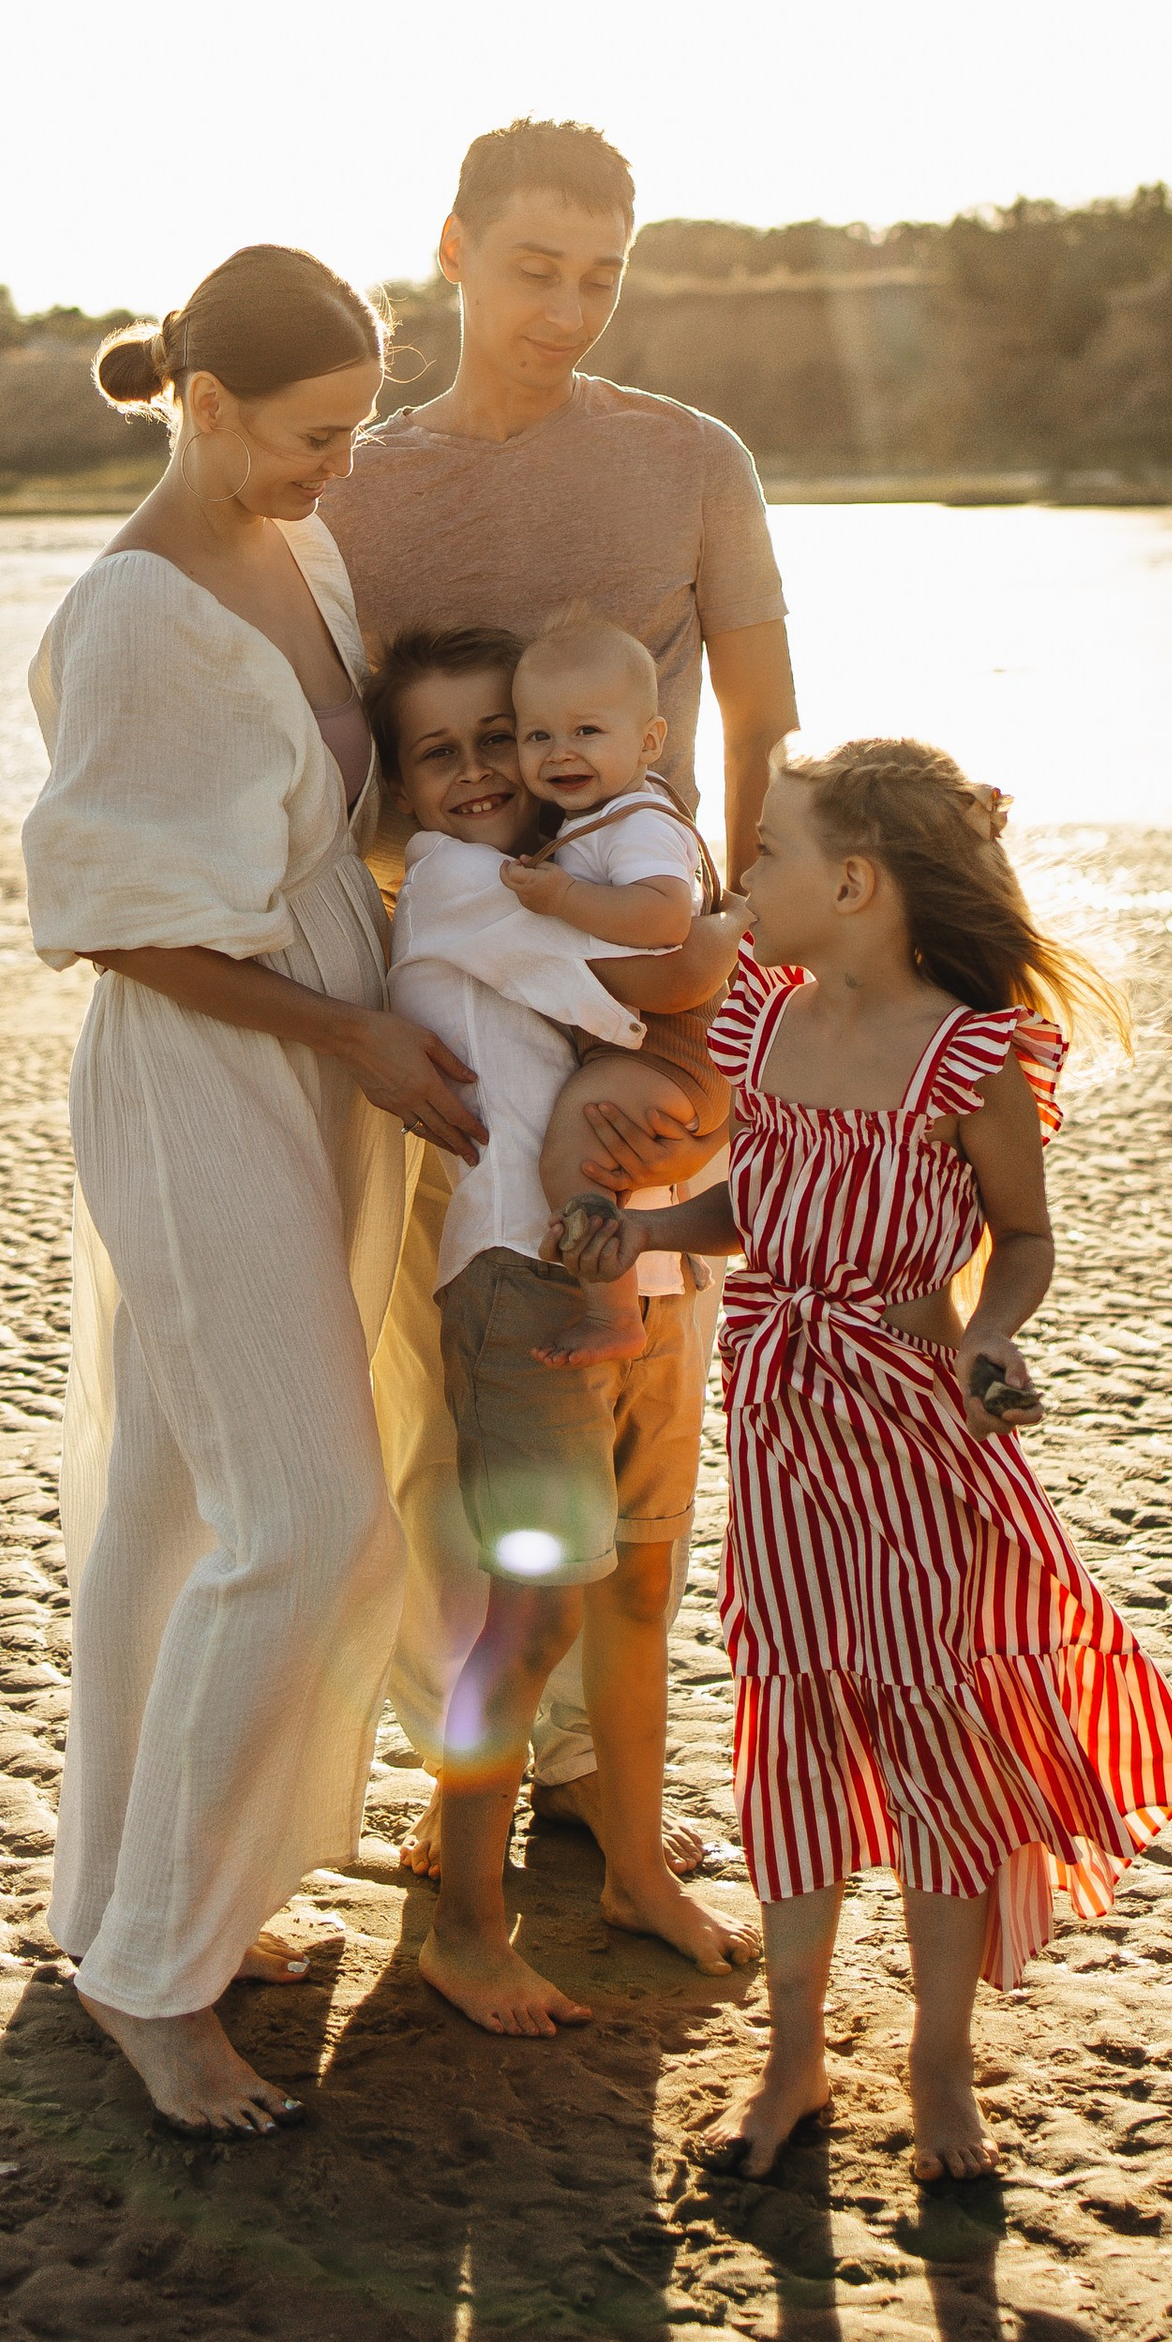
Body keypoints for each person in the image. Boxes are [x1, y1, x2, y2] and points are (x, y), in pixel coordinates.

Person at [557, 739, 1172, 2181]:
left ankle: (936, 2064)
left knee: (931, 1730)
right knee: (792, 1720)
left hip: (918, 1431)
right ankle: (795, 2056)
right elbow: (762, 1200)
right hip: (785, 1417)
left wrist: (992, 1334)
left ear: (854, 885)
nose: (749, 883)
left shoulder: (969, 1053)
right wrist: (655, 1232)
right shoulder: (762, 1019)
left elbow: (1025, 1237)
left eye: (774, 857)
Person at [22, 243, 483, 2137]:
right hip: (217, 1071)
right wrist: (355, 1038)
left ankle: (126, 1902)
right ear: (202, 407)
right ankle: (151, 1978)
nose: (337, 467)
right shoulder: (135, 613)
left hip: (320, 1052)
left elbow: (331, 812)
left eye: (358, 429)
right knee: (308, 1521)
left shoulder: (300, 553)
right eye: (310, 434)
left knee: (172, 1504)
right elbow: (114, 925)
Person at [324, 117, 796, 1859]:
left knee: (640, 1388)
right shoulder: (361, 489)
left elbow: (761, 710)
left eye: (604, 276)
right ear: (451, 251)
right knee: (460, 1398)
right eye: (537, 269)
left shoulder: (688, 457)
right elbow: (323, 758)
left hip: (652, 988)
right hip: (453, 985)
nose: (572, 309)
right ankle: (475, 1799)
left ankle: (603, 1791)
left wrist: (730, 964)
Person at [367, 625, 753, 2028]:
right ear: (399, 784)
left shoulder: (576, 859)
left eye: (498, 739)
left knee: (639, 1587)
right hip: (522, 1279)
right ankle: (467, 1930)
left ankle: (634, 1869)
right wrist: (719, 933)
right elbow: (669, 987)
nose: (480, 773)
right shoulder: (466, 881)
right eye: (442, 751)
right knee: (529, 1615)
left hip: (640, 1266)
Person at [500, 610, 731, 1372]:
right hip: (663, 1046)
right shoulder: (605, 815)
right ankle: (610, 1273)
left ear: (650, 743)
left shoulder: (636, 825)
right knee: (592, 1152)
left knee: (573, 1151)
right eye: (538, 737)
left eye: (588, 732)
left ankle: (613, 1311)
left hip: (671, 1045)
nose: (561, 753)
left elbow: (665, 916)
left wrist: (564, 900)